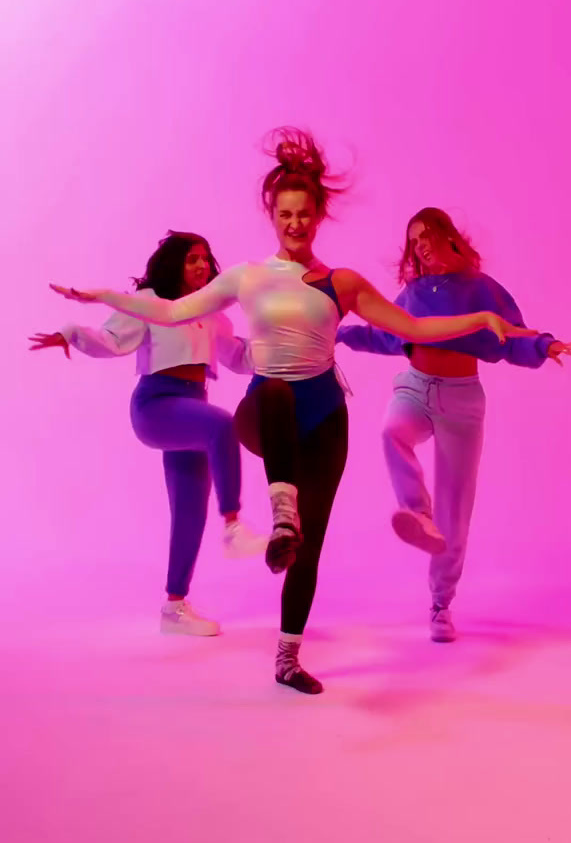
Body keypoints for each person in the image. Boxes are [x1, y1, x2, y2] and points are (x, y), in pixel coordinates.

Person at [49, 134, 535, 694]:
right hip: (266, 411)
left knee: (311, 542)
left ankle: (287, 657)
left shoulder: (343, 282)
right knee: (277, 391)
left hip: (325, 416)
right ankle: (283, 507)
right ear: (272, 216)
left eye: (305, 215)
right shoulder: (248, 277)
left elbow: (415, 329)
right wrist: (105, 298)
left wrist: (481, 320)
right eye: (286, 214)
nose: (296, 224)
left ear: (318, 216)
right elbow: (172, 308)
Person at [336, 207, 571, 642]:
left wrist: (547, 345)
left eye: (426, 234)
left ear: (448, 235)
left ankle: (440, 605)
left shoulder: (481, 288)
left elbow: (511, 336)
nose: (421, 245)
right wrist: (339, 333)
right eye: (413, 241)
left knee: (457, 510)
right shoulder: (413, 293)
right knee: (392, 430)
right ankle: (417, 512)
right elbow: (389, 335)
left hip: (462, 402)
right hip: (415, 386)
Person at [30, 232, 264, 637]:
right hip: (156, 406)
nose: (201, 266)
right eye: (192, 258)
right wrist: (70, 332)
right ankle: (234, 526)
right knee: (223, 425)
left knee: (190, 510)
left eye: (205, 259)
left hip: (194, 408)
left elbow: (241, 357)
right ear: (174, 262)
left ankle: (174, 608)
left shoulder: (211, 312)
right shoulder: (150, 302)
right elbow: (111, 340)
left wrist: (286, 345)